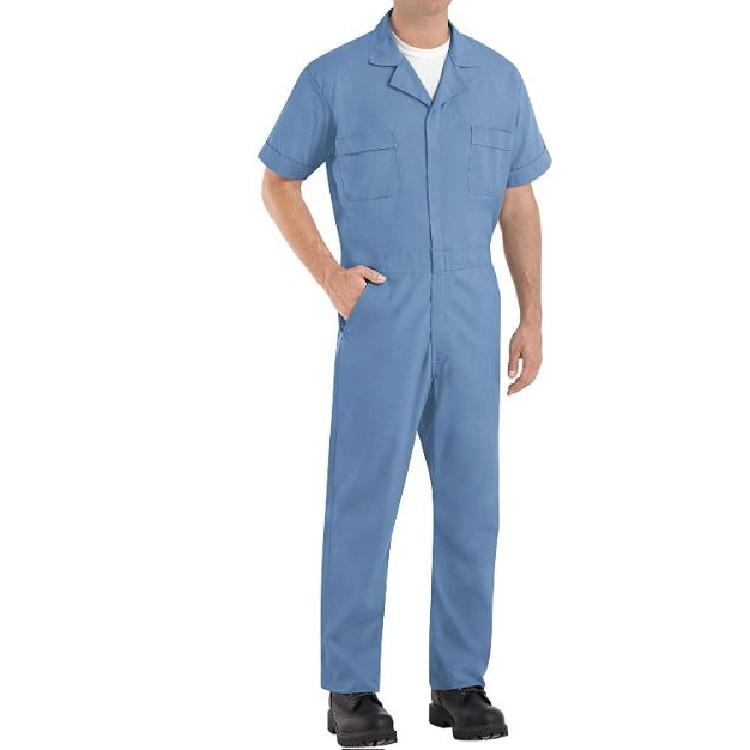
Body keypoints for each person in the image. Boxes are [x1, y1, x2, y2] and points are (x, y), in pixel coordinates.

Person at [260, 1, 549, 744]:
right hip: (382, 310)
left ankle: (459, 683)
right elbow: (278, 181)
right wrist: (330, 276)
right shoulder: (333, 78)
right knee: (363, 500)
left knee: (472, 504)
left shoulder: (499, 79)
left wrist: (532, 315)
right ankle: (350, 689)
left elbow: (518, 201)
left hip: (471, 308)